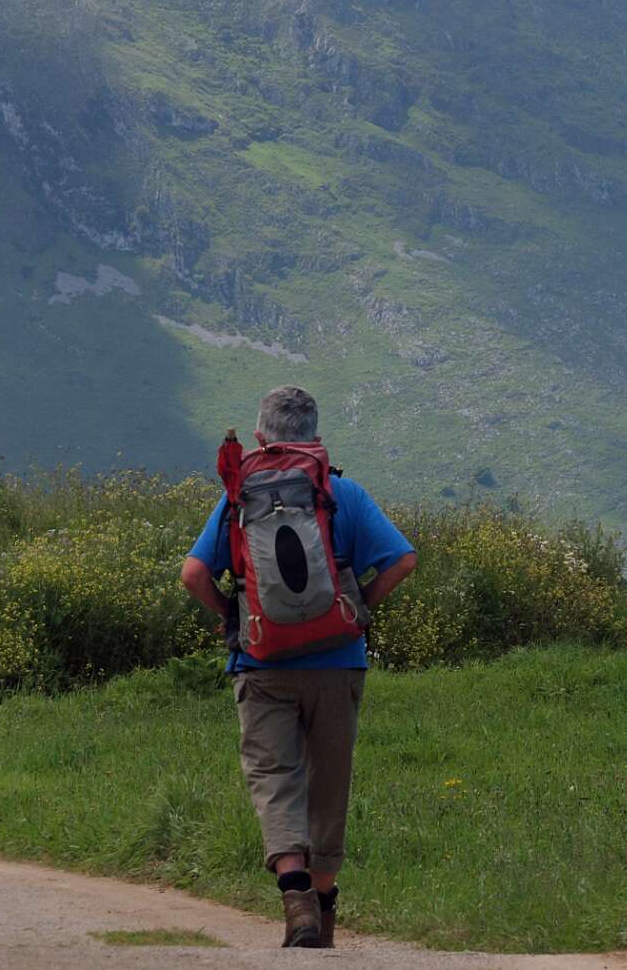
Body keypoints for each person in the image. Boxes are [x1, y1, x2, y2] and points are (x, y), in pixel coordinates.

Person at [181, 385, 418, 949]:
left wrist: (232, 616)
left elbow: (193, 574)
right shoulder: (342, 493)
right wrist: (356, 610)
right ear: (315, 437)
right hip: (338, 664)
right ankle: (324, 911)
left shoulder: (240, 496)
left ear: (259, 436)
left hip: (262, 661)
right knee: (329, 785)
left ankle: (296, 900)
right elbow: (403, 559)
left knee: (274, 776)